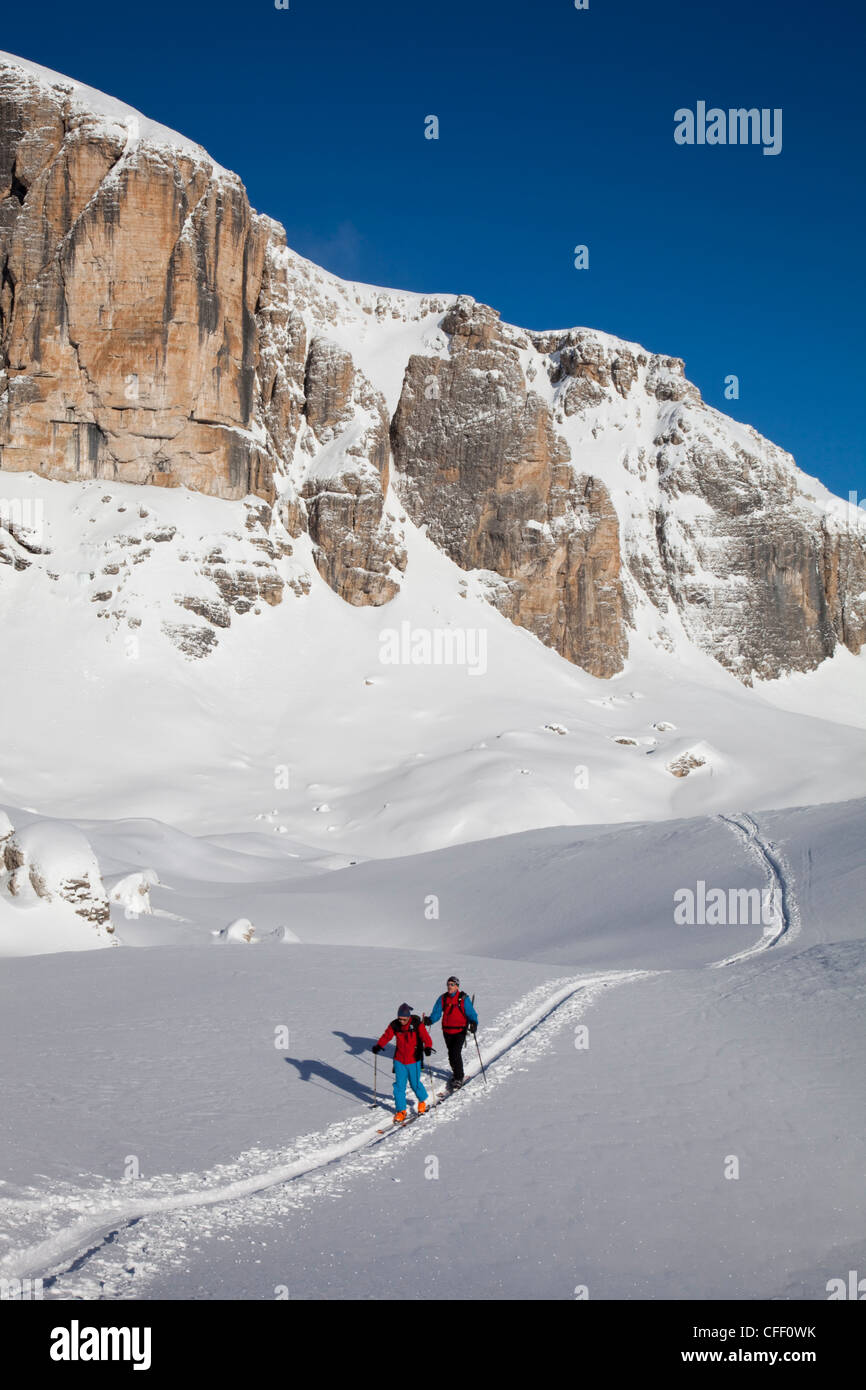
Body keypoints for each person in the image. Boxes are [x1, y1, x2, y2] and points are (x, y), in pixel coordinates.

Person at [372, 1004, 433, 1124]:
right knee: (399, 1087)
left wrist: (428, 1047)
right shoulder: (395, 1025)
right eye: (399, 1018)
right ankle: (401, 1110)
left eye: (403, 1019)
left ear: (408, 1017)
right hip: (399, 1060)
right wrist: (379, 1045)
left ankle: (422, 1101)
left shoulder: (416, 1025)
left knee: (415, 1084)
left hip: (414, 1060)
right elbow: (387, 1036)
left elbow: (426, 1038)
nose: (401, 1021)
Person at [425, 976, 478, 1091]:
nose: (449, 986)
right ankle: (456, 1073)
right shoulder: (443, 998)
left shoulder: (463, 998)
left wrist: (474, 1023)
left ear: (457, 986)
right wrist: (430, 1020)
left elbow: (471, 1013)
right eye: (448, 984)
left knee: (455, 1053)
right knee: (451, 1054)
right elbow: (437, 1013)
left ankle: (459, 1077)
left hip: (460, 1031)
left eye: (452, 984)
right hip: (447, 1031)